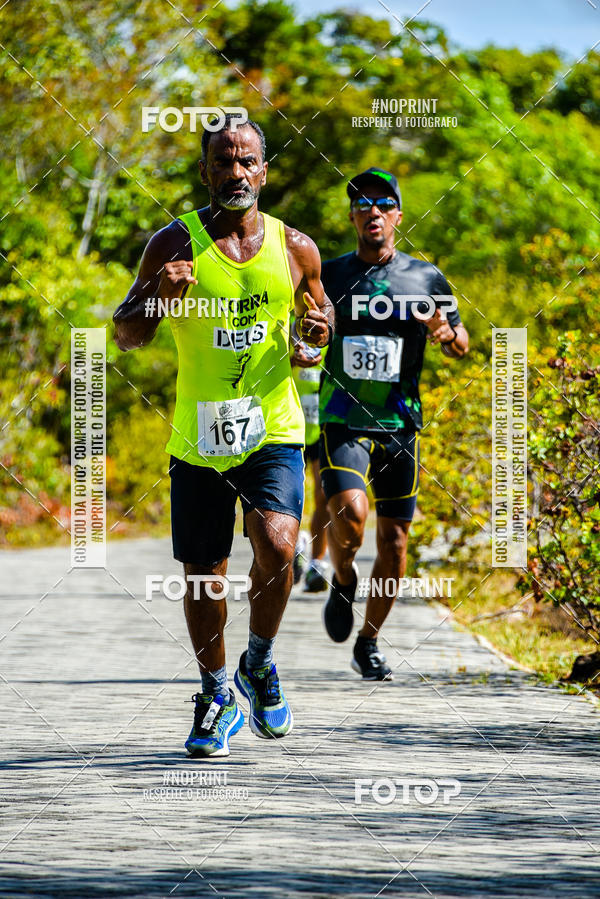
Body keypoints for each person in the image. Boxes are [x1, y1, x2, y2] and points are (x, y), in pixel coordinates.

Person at [113, 114, 333, 756]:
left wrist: (312, 341)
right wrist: (157, 294)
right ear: (205, 171)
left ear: (264, 171)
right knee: (204, 574)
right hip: (199, 438)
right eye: (223, 162)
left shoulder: (296, 248)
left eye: (247, 162)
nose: (236, 173)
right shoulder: (171, 244)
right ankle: (215, 692)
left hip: (273, 429)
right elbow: (127, 333)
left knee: (279, 544)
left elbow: (317, 328)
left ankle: (258, 663)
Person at [319, 167, 469, 680]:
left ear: (398, 215)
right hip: (343, 418)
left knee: (396, 543)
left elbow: (461, 346)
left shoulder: (425, 277)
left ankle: (370, 641)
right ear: (353, 217)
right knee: (350, 518)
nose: (373, 212)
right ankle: (342, 578)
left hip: (401, 424)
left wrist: (443, 330)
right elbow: (305, 330)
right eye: (363, 205)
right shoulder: (330, 274)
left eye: (383, 204)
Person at [290, 325, 331, 593]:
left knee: (322, 495)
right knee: (293, 496)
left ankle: (317, 562)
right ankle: (295, 544)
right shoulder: (285, 322)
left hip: (323, 424)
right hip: (290, 424)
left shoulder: (331, 328)